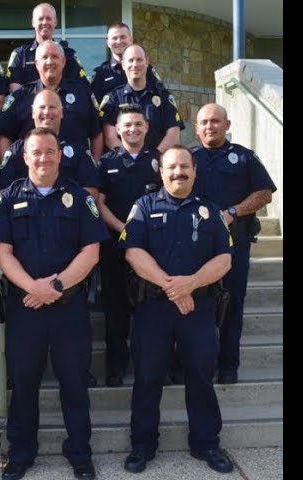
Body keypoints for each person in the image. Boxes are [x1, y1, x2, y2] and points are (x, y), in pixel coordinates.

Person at [0, 127, 109, 480]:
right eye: (36, 152)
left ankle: (80, 454)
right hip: (25, 307)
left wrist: (55, 286)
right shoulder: (8, 198)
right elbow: (3, 253)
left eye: (49, 151)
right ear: (25, 157)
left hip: (69, 308)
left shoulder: (79, 198)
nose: (43, 158)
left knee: (74, 382)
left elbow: (91, 252)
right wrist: (33, 288)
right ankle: (20, 453)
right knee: (23, 382)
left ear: (59, 156)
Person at [118, 145, 234, 474]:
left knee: (200, 375)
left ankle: (206, 443)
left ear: (194, 171)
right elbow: (132, 252)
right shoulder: (143, 206)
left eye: (184, 166)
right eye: (171, 167)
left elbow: (225, 259)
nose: (178, 172)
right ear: (161, 171)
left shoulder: (211, 210)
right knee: (147, 376)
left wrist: (192, 283)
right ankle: (143, 445)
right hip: (153, 308)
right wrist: (172, 287)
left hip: (198, 307)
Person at [192, 103, 277, 384]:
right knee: (196, 304)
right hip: (196, 245)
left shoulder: (244, 157)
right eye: (204, 122)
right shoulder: (188, 159)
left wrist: (233, 212)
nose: (210, 126)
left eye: (216, 121)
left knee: (233, 304)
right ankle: (196, 364)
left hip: (235, 242)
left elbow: (265, 193)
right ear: (197, 128)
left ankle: (228, 365)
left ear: (227, 125)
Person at [96, 104, 162, 387]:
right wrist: (123, 228)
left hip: (153, 247)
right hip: (115, 245)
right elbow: (98, 203)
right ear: (117, 129)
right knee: (115, 308)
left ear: (146, 127)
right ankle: (116, 368)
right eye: (127, 124)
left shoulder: (160, 161)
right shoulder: (105, 163)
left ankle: (153, 367)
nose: (133, 129)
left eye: (138, 124)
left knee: (152, 309)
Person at [0, 40, 103, 162]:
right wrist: (9, 168)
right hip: (32, 170)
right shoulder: (20, 97)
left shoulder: (83, 94)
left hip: (76, 170)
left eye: (55, 57)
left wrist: (93, 166)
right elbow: (5, 137)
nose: (50, 62)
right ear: (36, 64)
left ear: (63, 61)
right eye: (45, 57)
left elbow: (97, 134)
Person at [0, 88, 100, 197]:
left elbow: (92, 192)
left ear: (61, 112)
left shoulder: (79, 150)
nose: (46, 112)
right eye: (42, 107)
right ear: (33, 112)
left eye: (52, 107)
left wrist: (56, 202)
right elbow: (3, 192)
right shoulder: (16, 151)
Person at [99, 44, 184, 154]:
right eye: (131, 60)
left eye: (139, 60)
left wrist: (153, 157)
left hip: (157, 161)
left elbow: (174, 133)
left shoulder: (163, 96)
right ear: (123, 64)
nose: (135, 64)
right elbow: (110, 138)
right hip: (124, 162)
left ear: (147, 62)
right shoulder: (113, 99)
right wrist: (131, 159)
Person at [5, 3, 88, 92]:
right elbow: (15, 91)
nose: (44, 22)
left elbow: (80, 86)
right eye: (41, 19)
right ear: (33, 22)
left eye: (48, 18)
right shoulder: (20, 54)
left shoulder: (68, 54)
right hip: (30, 101)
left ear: (55, 22)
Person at [89, 23, 166, 103]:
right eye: (114, 38)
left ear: (131, 40)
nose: (119, 41)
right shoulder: (100, 73)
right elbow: (94, 105)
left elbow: (161, 97)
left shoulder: (144, 69)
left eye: (123, 37)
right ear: (108, 43)